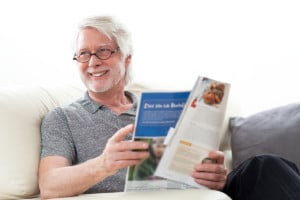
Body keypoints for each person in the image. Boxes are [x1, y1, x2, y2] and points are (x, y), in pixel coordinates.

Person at [38, 15, 300, 200]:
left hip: (192, 192)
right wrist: (104, 164)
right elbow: (49, 185)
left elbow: (201, 166)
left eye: (104, 51)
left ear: (126, 58)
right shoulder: (63, 118)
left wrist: (215, 176)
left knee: (266, 166)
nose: (92, 61)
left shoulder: (162, 107)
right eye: (83, 53)